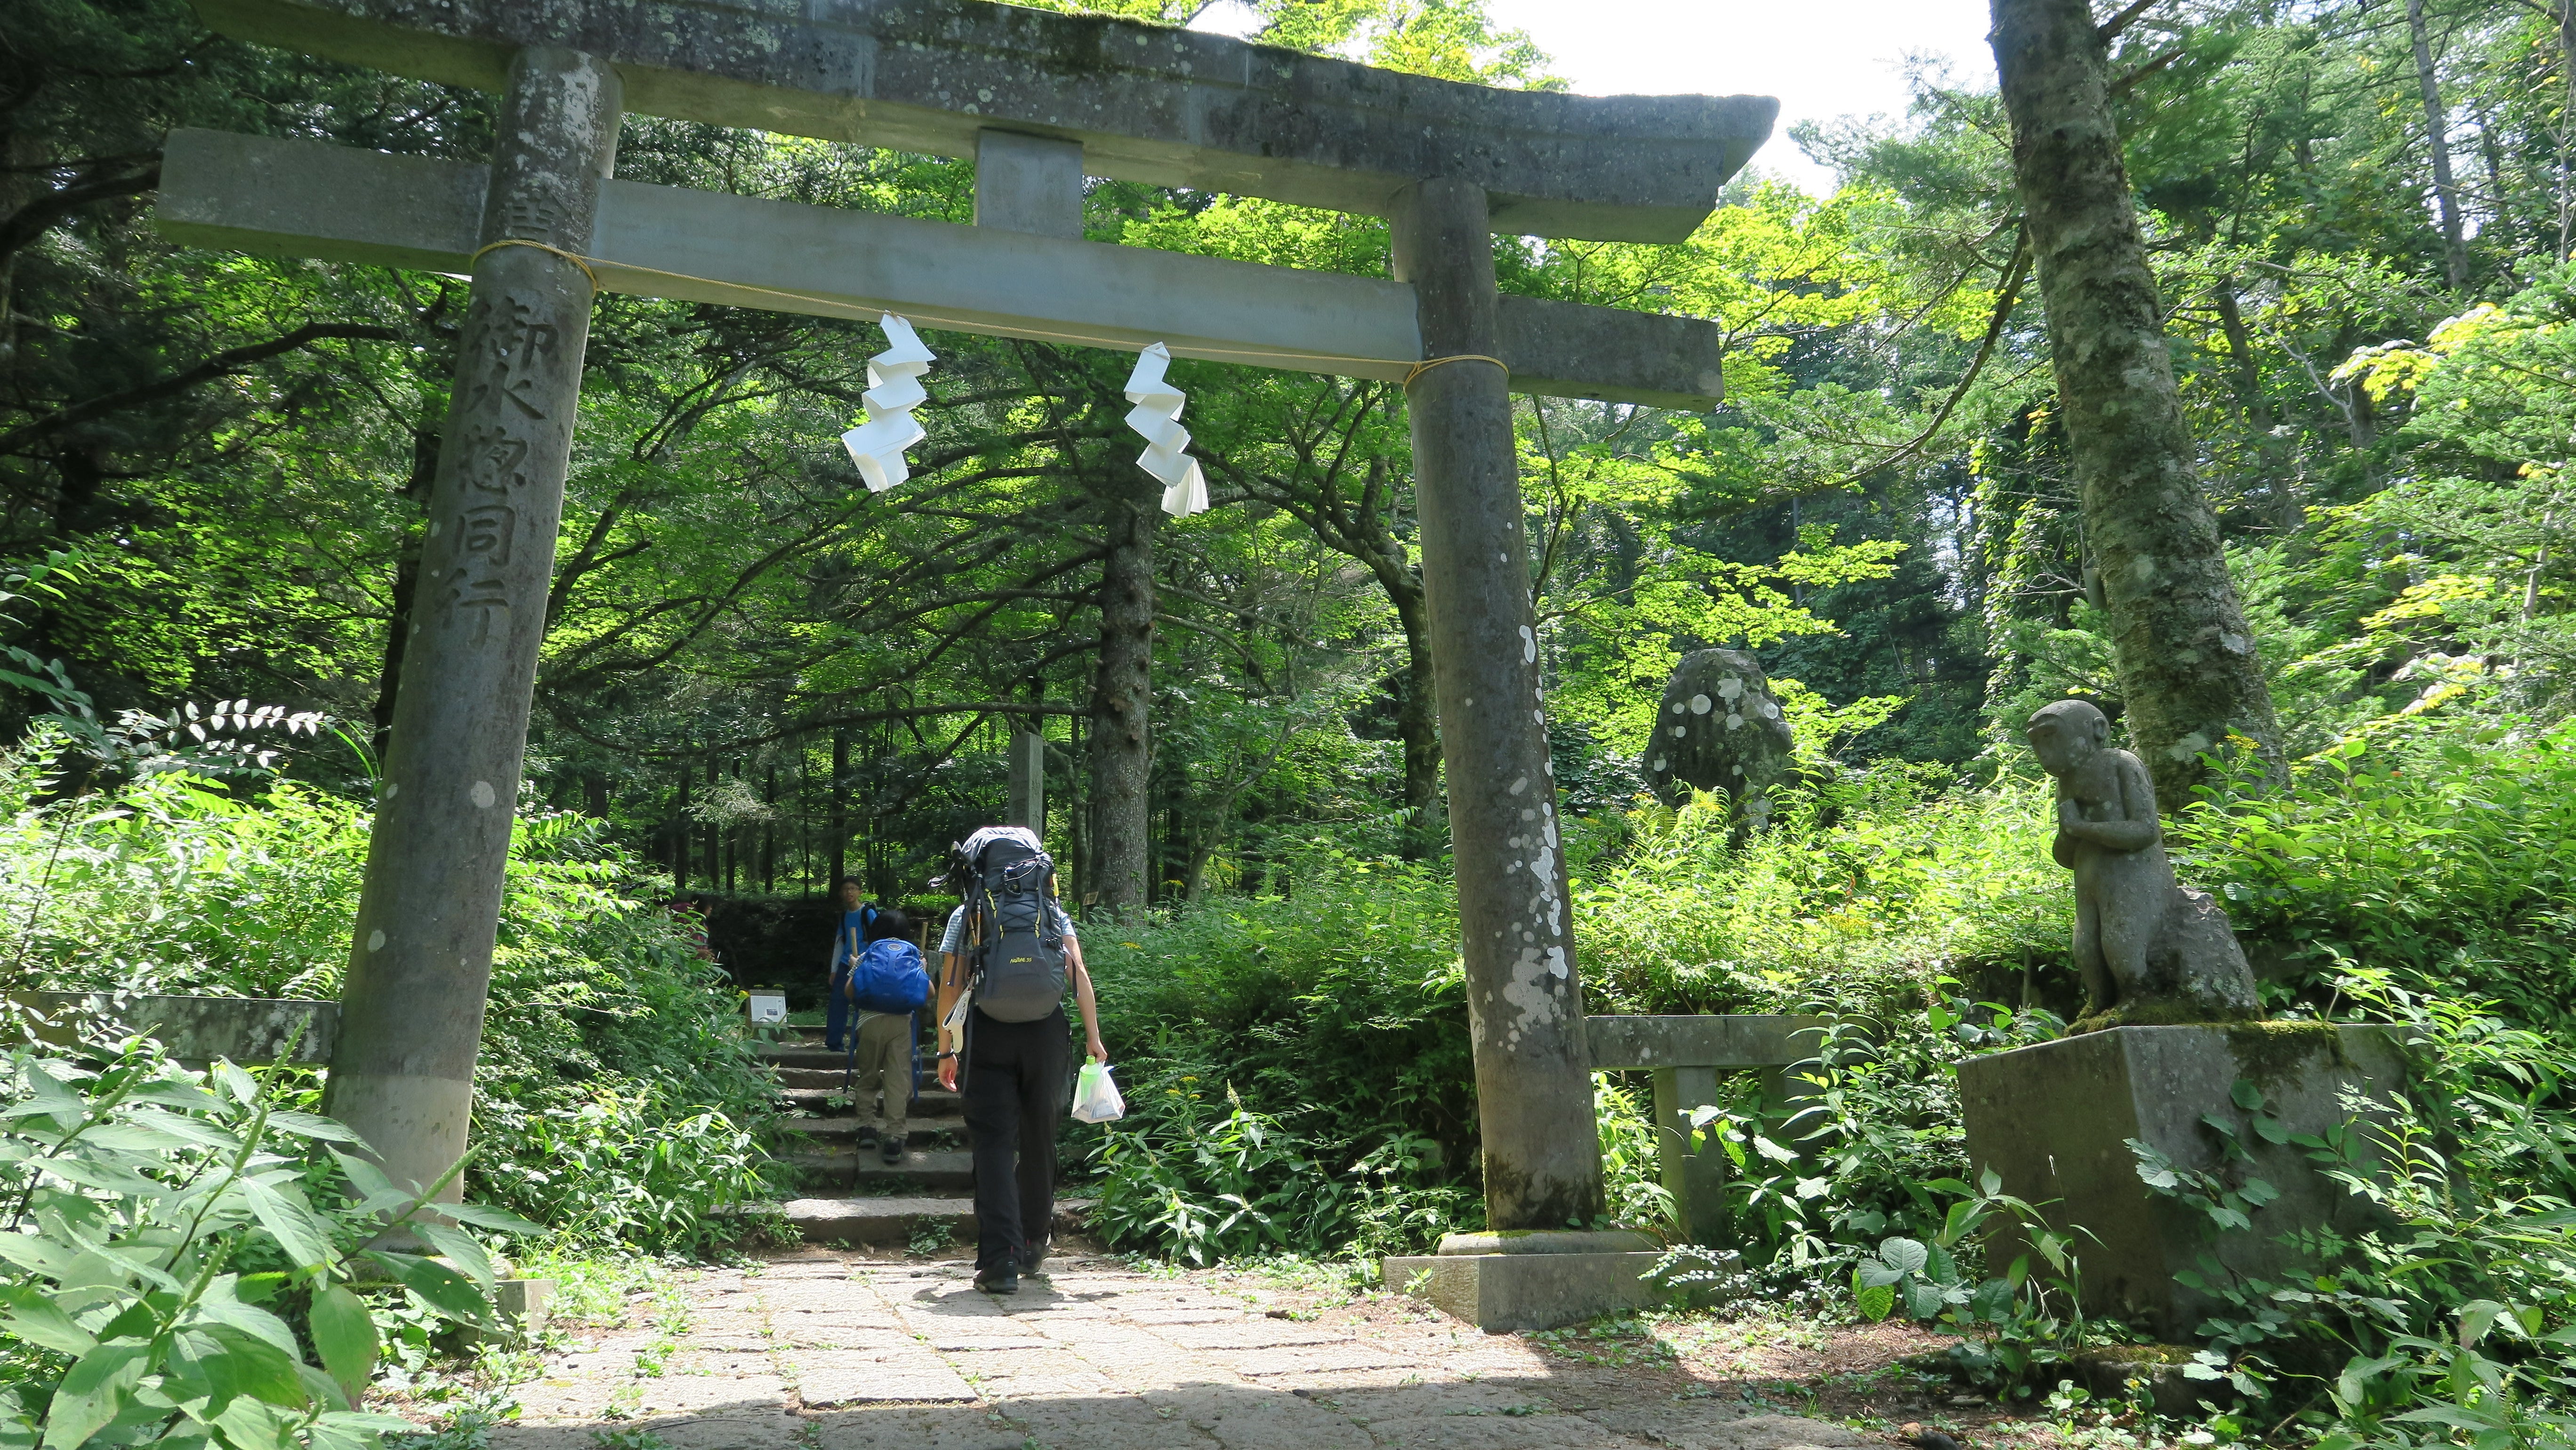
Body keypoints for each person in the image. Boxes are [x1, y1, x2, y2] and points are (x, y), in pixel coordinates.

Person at [934, 825, 1105, 1295]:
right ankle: (1033, 1241)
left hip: (988, 1031)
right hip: (1046, 1032)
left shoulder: (969, 913)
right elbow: (1077, 971)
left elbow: (951, 985)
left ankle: (1000, 1260)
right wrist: (1093, 1037)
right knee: (1039, 1138)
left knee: (993, 1143)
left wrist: (947, 1048)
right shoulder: (1052, 911)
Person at [845, 906, 920, 1165]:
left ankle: (867, 1127)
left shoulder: (868, 955)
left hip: (870, 1022)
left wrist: (855, 968)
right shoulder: (914, 955)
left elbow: (849, 992)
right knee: (898, 1079)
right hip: (901, 1024)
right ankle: (895, 1136)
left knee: (868, 1075)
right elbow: (929, 993)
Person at [822, 877, 874, 1054]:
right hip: (845, 964)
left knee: (863, 1003)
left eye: (853, 889)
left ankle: (860, 1044)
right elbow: (839, 942)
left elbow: (878, 939)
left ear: (860, 892)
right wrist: (834, 970)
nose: (849, 892)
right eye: (846, 889)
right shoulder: (845, 916)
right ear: (841, 893)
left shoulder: (868, 913)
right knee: (838, 1002)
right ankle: (834, 1043)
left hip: (865, 964)